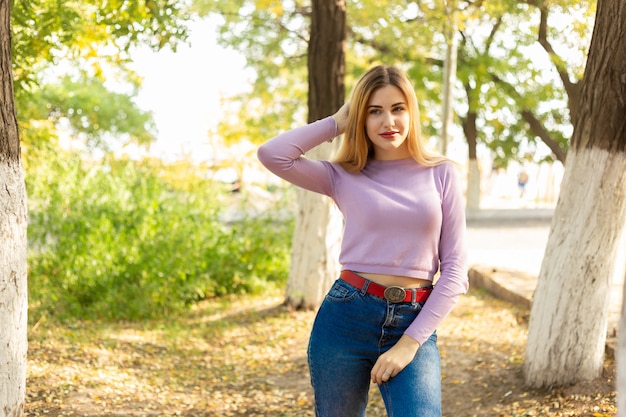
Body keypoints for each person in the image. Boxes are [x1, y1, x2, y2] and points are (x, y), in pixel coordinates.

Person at [257, 65, 468, 417]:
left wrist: (410, 343)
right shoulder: (342, 176)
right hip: (345, 317)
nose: (389, 121)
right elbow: (273, 154)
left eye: (398, 108)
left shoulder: (441, 172)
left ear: (411, 112)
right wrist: (337, 122)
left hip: (414, 318)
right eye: (374, 111)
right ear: (361, 118)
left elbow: (456, 270)